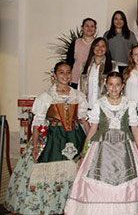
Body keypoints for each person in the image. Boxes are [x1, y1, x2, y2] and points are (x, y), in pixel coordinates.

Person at [5, 61, 88, 215]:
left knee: (75, 172)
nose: (65, 75)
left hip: (75, 137)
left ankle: (70, 206)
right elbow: (37, 122)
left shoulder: (78, 95)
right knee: (48, 173)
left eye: (68, 72)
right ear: (54, 75)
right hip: (53, 137)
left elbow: (84, 119)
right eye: (61, 72)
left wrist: (91, 141)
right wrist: (35, 145)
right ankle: (50, 206)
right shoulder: (46, 96)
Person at [64, 71, 138, 215]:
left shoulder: (129, 104)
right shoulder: (99, 103)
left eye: (117, 85)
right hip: (101, 149)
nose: (114, 88)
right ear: (106, 85)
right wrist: (84, 152)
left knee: (127, 182)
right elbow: (93, 129)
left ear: (122, 86)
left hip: (125, 149)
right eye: (111, 84)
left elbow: (134, 128)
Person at [80, 38, 113, 110]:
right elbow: (80, 89)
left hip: (105, 109)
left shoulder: (113, 66)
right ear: (93, 47)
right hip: (87, 108)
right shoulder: (84, 66)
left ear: (106, 49)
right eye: (97, 45)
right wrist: (81, 112)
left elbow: (116, 89)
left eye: (103, 46)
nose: (100, 48)